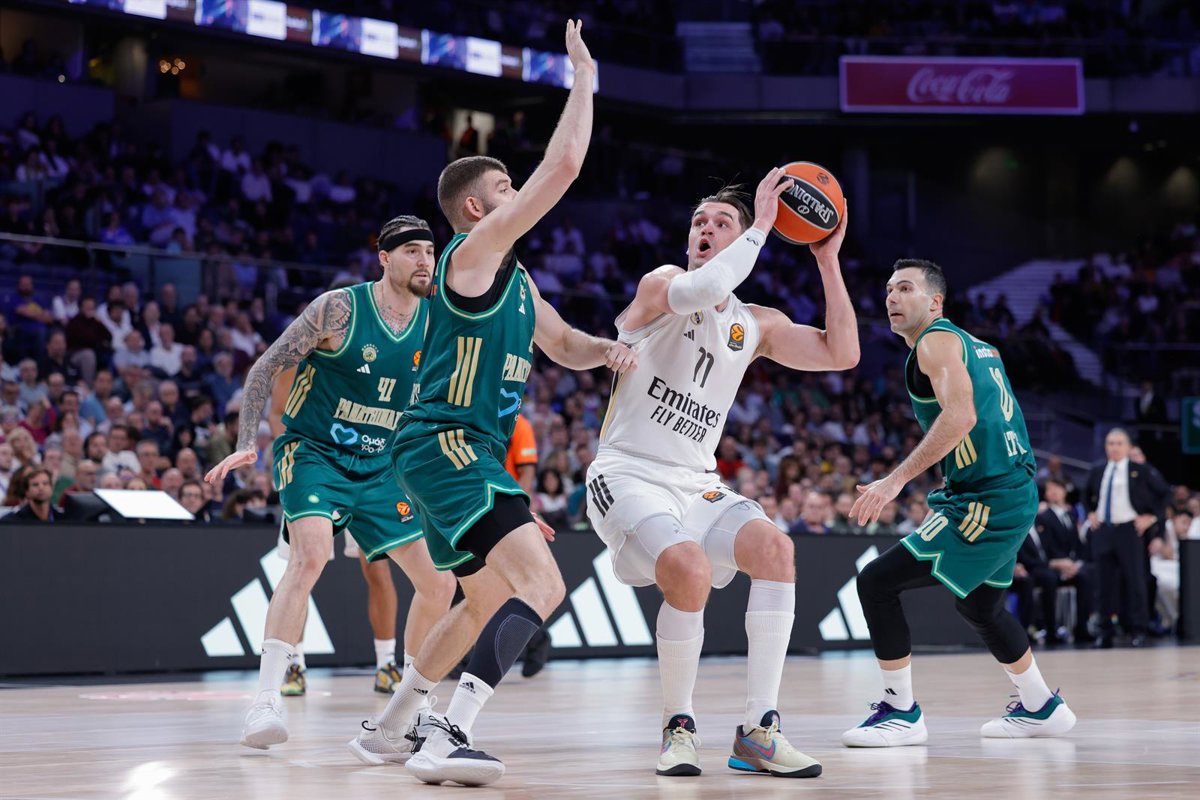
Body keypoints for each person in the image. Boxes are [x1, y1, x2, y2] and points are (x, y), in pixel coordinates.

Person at [349, 21, 635, 787]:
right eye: (507, 189)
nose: (519, 196)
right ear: (476, 209)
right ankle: (450, 732)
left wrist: (610, 351)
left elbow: (565, 344)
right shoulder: (471, 257)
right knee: (544, 586)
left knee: (484, 599)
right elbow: (565, 165)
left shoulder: (519, 281)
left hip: (452, 453)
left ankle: (391, 727)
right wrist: (584, 78)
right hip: (446, 442)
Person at [585, 168, 854, 778]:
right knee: (689, 568)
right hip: (627, 473)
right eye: (699, 222)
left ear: (741, 241)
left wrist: (826, 258)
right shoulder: (663, 284)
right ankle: (678, 726)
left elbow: (843, 354)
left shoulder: (756, 323)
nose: (705, 229)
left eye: (721, 222)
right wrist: (761, 224)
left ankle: (760, 731)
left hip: (693, 482)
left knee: (776, 550)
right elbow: (702, 289)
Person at [206, 215, 456, 750]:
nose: (424, 261)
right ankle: (266, 700)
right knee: (311, 556)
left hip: (382, 463)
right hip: (314, 451)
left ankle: (408, 711)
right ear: (384, 258)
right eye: (411, 251)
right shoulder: (338, 309)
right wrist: (248, 439)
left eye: (429, 251)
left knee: (440, 584)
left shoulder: (436, 321)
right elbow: (263, 368)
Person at [842, 259, 1076, 746]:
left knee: (876, 582)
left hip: (988, 497)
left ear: (935, 302)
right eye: (889, 289)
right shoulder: (980, 346)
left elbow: (962, 416)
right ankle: (1041, 706)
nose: (892, 297)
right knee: (980, 605)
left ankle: (901, 713)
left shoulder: (935, 341)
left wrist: (895, 480)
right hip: (1009, 488)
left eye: (905, 288)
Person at [267, 283, 436, 698]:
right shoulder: (304, 351)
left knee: (379, 569)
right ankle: (293, 663)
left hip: (372, 469)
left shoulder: (409, 340)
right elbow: (278, 414)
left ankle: (386, 663)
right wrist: (290, 473)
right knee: (306, 564)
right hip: (317, 465)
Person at [1084, 428, 1169, 648]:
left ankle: (1138, 629)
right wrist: (1091, 513)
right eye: (1110, 443)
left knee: (1135, 581)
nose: (1114, 447)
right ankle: (1104, 631)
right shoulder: (1098, 470)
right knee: (1103, 583)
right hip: (1104, 530)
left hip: (1129, 530)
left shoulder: (1140, 470)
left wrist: (1151, 518)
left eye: (1119, 443)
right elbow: (1086, 495)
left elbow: (1165, 494)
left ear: (1128, 446)